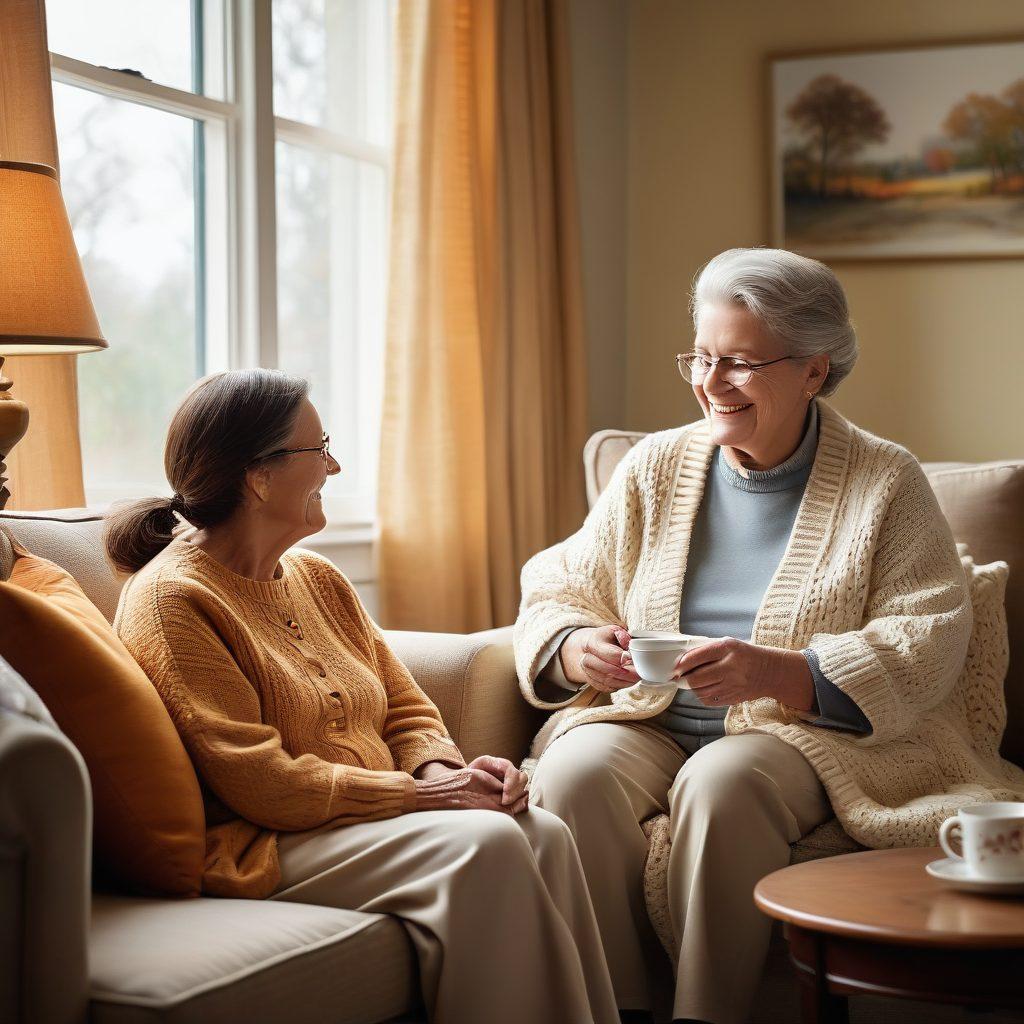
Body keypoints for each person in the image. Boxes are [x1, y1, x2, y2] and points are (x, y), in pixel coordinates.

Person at [514, 247, 1024, 1024]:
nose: (709, 384)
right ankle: (617, 1009)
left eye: (740, 364)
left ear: (813, 371)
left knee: (725, 782)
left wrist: (784, 675)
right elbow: (560, 582)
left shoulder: (886, 482)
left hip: (794, 734)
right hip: (651, 716)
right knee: (576, 771)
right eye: (701, 357)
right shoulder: (655, 465)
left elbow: (929, 637)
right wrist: (574, 644)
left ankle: (704, 1012)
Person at [108, 368, 619, 1024]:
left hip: (362, 816)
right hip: (260, 840)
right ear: (259, 475)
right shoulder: (172, 600)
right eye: (318, 449)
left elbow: (406, 708)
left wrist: (450, 774)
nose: (335, 465)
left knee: (539, 829)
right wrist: (427, 798)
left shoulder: (316, 577)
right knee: (484, 845)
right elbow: (263, 785)